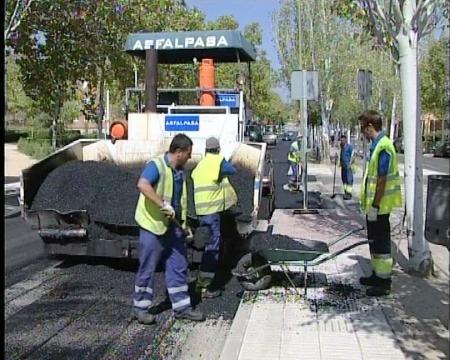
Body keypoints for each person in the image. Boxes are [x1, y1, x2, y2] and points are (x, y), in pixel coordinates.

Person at [132, 133, 205, 324]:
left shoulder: (180, 172)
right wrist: (162, 204)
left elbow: (179, 202)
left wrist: (184, 225)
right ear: (178, 151)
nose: (190, 157)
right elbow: (142, 184)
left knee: (179, 266)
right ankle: (141, 308)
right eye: (188, 153)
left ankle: (182, 308)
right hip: (152, 226)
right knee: (148, 267)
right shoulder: (156, 166)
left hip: (173, 229)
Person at [359, 110, 402, 296]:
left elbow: (382, 180)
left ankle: (384, 282)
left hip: (380, 207)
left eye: (363, 128)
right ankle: (377, 275)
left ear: (370, 126)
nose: (362, 132)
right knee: (374, 241)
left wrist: (375, 206)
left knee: (382, 244)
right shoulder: (376, 145)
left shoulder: (384, 146)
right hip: (374, 206)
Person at [191, 137, 238, 298]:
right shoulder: (217, 163)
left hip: (201, 212)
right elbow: (232, 170)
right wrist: (221, 161)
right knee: (212, 248)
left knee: (207, 246)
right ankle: (205, 286)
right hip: (212, 213)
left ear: (206, 150)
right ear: (218, 149)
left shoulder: (200, 166)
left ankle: (201, 282)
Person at [339, 134, 355, 200]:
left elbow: (353, 156)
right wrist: (340, 162)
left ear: (345, 140)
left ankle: (349, 194)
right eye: (341, 140)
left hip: (348, 167)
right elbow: (341, 155)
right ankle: (346, 192)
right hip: (343, 166)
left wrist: (350, 163)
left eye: (343, 140)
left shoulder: (349, 147)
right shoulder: (342, 147)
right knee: (344, 180)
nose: (342, 141)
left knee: (349, 180)